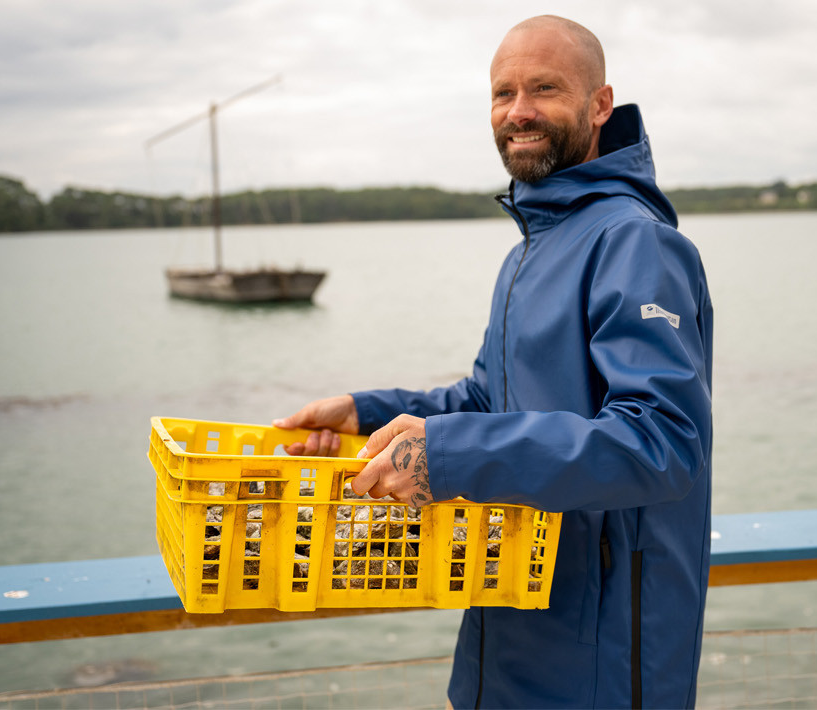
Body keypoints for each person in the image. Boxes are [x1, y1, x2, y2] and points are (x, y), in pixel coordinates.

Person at [275, 15, 713, 709]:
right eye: (503, 92)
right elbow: (487, 403)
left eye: (545, 88)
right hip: (501, 641)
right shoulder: (526, 253)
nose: (520, 111)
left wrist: (444, 456)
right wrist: (367, 414)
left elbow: (662, 443)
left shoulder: (636, 244)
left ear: (600, 105)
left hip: (606, 663)